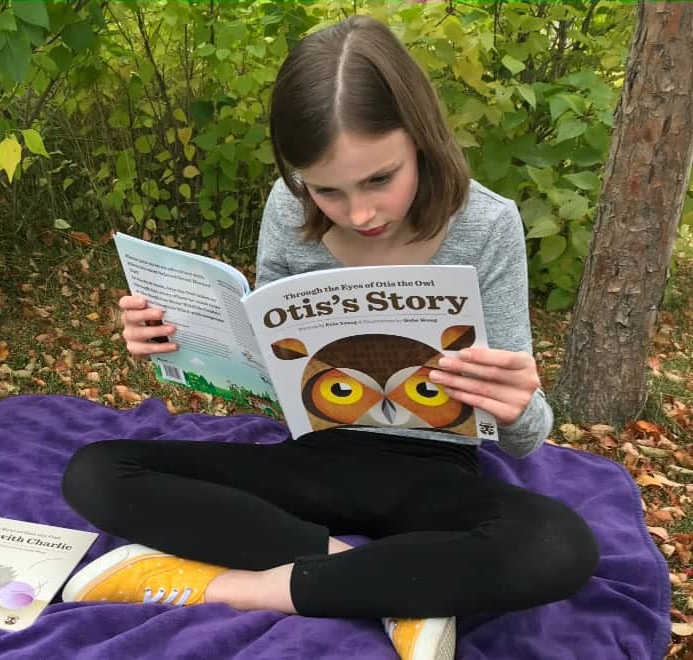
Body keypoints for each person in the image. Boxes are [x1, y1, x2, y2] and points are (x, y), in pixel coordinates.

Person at [60, 15, 598, 660]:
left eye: (379, 179)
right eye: (327, 190)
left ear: (422, 139)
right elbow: (272, 376)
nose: (360, 213)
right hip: (312, 456)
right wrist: (184, 346)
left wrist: (518, 404)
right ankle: (381, 583)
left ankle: (245, 586)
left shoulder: (487, 224)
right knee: (97, 471)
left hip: (435, 474)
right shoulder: (288, 210)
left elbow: (526, 435)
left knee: (559, 545)